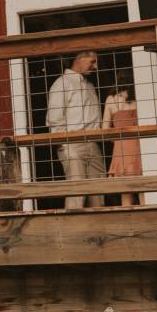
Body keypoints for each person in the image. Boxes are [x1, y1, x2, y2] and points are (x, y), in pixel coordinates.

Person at [45, 50, 104, 208]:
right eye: (92, 62)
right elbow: (54, 118)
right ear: (80, 58)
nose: (95, 67)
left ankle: (101, 223)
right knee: (77, 192)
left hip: (93, 143)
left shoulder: (89, 85)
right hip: (72, 144)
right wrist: (64, 146)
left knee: (99, 191)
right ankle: (72, 223)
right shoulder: (62, 83)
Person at [103, 84, 142, 207]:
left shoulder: (111, 99)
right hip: (140, 146)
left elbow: (105, 130)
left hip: (122, 150)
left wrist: (119, 141)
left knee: (126, 194)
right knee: (144, 190)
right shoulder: (140, 95)